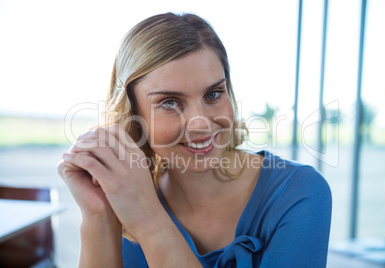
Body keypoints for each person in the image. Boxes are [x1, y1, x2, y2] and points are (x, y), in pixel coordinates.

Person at [58, 12, 332, 267]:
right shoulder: (124, 197)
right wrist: (98, 214)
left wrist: (149, 220)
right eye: (169, 102)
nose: (200, 123)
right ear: (133, 114)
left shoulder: (300, 192)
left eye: (213, 94)